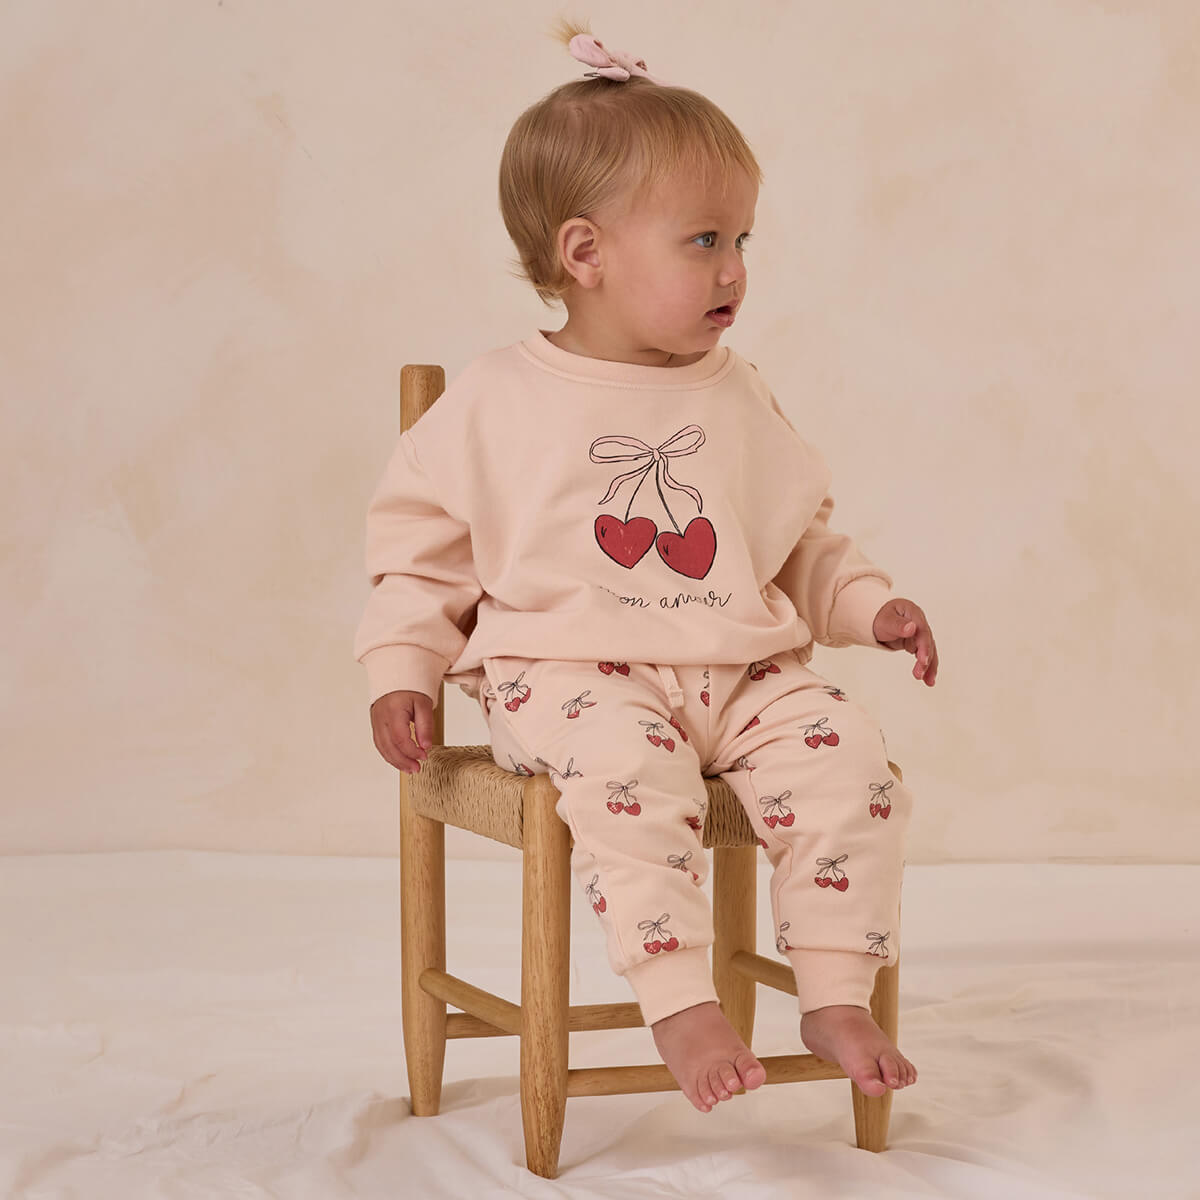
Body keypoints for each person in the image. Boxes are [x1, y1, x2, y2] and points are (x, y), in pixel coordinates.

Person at [354, 17, 939, 1115]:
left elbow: (794, 541)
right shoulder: (494, 401)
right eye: (705, 240)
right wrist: (402, 670)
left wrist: (872, 607)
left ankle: (833, 987)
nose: (737, 270)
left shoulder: (735, 390)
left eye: (744, 239)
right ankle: (678, 999)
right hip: (573, 676)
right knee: (631, 780)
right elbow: (419, 566)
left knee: (855, 765)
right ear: (586, 255)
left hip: (743, 673)